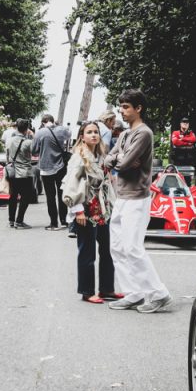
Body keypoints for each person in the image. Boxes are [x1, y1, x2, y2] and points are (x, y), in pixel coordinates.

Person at [105, 89, 171, 313]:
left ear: (138, 108)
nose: (122, 111)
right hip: (121, 196)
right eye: (121, 107)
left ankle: (158, 293)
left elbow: (122, 164)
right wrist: (120, 159)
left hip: (137, 197)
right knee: (117, 247)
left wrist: (120, 160)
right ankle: (134, 292)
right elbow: (109, 158)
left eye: (126, 107)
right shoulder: (124, 135)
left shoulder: (144, 134)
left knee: (132, 247)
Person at [62, 121, 122, 304]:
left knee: (107, 250)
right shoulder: (78, 157)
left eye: (96, 132)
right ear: (82, 136)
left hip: (103, 209)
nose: (94, 135)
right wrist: (77, 210)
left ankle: (107, 288)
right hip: (86, 210)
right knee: (87, 252)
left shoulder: (100, 155)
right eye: (89, 132)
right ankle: (87, 291)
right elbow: (70, 185)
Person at [31, 114, 70, 230]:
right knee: (61, 194)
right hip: (61, 166)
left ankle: (54, 223)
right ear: (53, 121)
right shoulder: (61, 130)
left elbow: (34, 151)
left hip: (46, 168)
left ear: (43, 122)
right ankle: (64, 221)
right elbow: (68, 136)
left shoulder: (40, 133)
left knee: (50, 196)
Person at [5, 118, 36, 229]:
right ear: (27, 129)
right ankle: (19, 221)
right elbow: (36, 151)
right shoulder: (28, 142)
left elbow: (7, 156)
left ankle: (11, 221)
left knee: (13, 196)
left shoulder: (9, 141)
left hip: (12, 172)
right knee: (26, 196)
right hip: (24, 172)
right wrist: (32, 136)